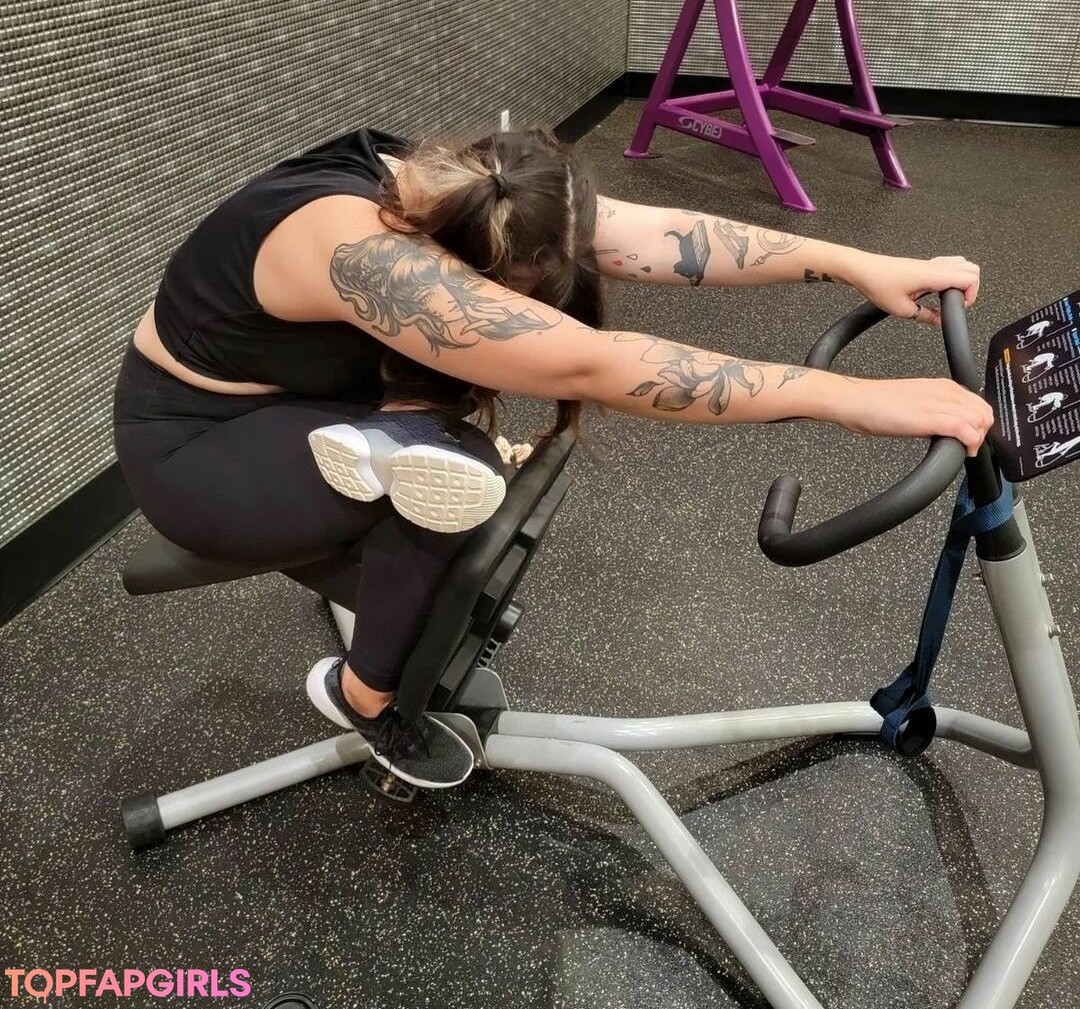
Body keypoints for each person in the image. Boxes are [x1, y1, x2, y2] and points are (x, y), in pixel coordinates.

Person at [112, 125, 992, 789]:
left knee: (447, 450)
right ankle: (364, 696)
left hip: (309, 398)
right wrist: (846, 397)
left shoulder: (468, 191)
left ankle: (395, 443)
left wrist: (857, 262)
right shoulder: (362, 256)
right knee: (454, 479)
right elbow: (590, 364)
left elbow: (661, 237)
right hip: (197, 443)